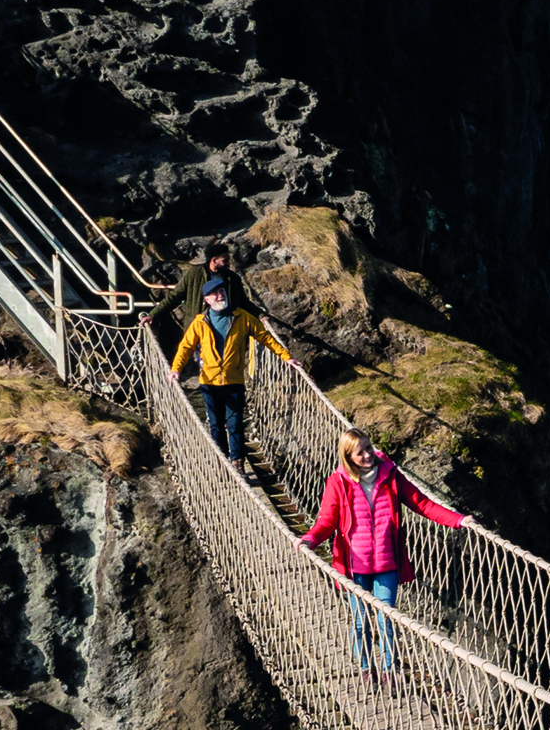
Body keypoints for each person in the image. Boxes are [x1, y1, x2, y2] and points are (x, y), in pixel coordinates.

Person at [300, 430, 468, 670]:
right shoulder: (338, 482)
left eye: (369, 448)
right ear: (348, 456)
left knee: (386, 617)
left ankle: (391, 668)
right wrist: (309, 539)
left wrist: (458, 520)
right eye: (360, 453)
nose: (368, 455)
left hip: (386, 562)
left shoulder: (390, 475)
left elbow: (422, 503)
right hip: (354, 566)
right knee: (361, 622)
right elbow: (327, 521)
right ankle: (366, 667)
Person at [167, 282, 290, 468]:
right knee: (216, 425)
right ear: (207, 299)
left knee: (235, 424)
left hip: (234, 381)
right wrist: (176, 369)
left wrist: (287, 358)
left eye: (222, 291)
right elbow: (186, 346)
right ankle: (223, 462)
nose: (220, 295)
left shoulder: (242, 317)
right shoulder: (200, 322)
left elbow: (265, 337)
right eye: (214, 294)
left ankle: (238, 462)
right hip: (209, 382)